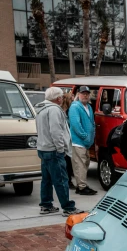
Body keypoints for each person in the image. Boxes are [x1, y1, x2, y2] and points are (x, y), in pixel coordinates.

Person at [35, 87, 83, 216]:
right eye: (61, 96)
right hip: (54, 150)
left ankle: (46, 205)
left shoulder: (40, 109)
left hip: (43, 148)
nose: (62, 98)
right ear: (58, 98)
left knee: (47, 179)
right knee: (61, 179)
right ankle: (68, 207)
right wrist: (60, 148)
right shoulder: (54, 110)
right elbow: (56, 131)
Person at [68, 86, 97, 195]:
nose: (85, 95)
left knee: (85, 163)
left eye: (87, 94)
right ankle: (82, 187)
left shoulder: (88, 107)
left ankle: (81, 184)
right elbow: (75, 124)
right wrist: (85, 136)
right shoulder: (75, 107)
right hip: (78, 141)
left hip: (86, 143)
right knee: (79, 164)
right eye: (83, 93)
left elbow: (92, 123)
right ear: (78, 94)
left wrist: (92, 136)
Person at [60, 91, 76, 188]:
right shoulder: (63, 112)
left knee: (68, 161)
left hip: (68, 140)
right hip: (65, 141)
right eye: (72, 99)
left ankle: (68, 179)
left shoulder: (68, 111)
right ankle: (68, 181)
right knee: (67, 162)